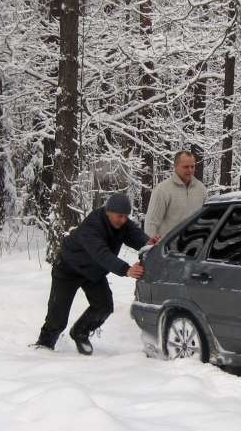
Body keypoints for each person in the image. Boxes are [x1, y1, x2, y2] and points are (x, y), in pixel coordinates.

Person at [33, 192, 153, 355]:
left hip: (93, 272)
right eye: (119, 216)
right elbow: (101, 253)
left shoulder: (122, 223)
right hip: (68, 269)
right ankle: (44, 346)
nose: (123, 220)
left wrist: (149, 243)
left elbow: (135, 236)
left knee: (104, 306)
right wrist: (126, 269)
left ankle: (80, 332)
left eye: (125, 216)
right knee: (58, 315)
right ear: (108, 211)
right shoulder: (92, 226)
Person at [144, 150, 207, 239]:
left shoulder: (201, 189)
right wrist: (151, 245)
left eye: (192, 166)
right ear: (175, 166)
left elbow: (206, 220)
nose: (190, 170)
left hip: (193, 247)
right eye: (186, 167)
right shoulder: (162, 190)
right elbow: (151, 222)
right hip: (167, 249)